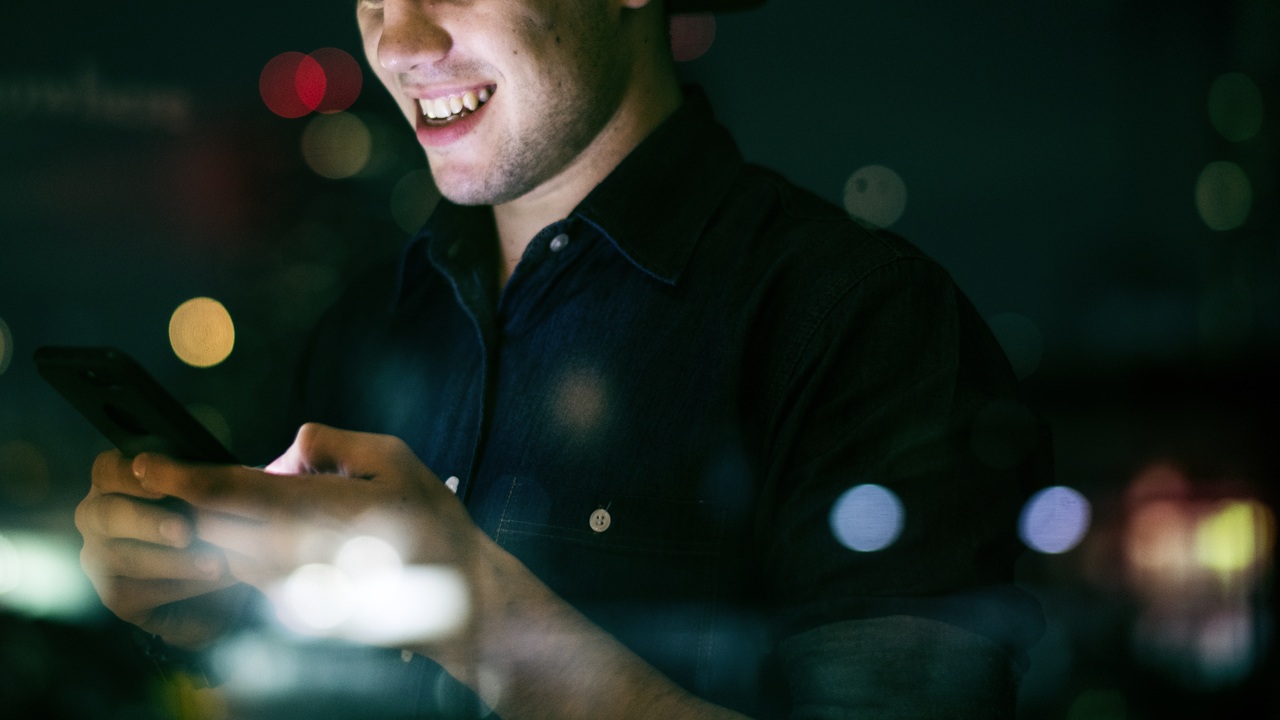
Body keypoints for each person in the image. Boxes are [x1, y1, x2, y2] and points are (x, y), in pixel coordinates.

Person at [74, 0, 1048, 717]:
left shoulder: (859, 321)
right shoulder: (364, 328)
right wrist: (206, 605)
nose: (399, 42)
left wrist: (467, 608)